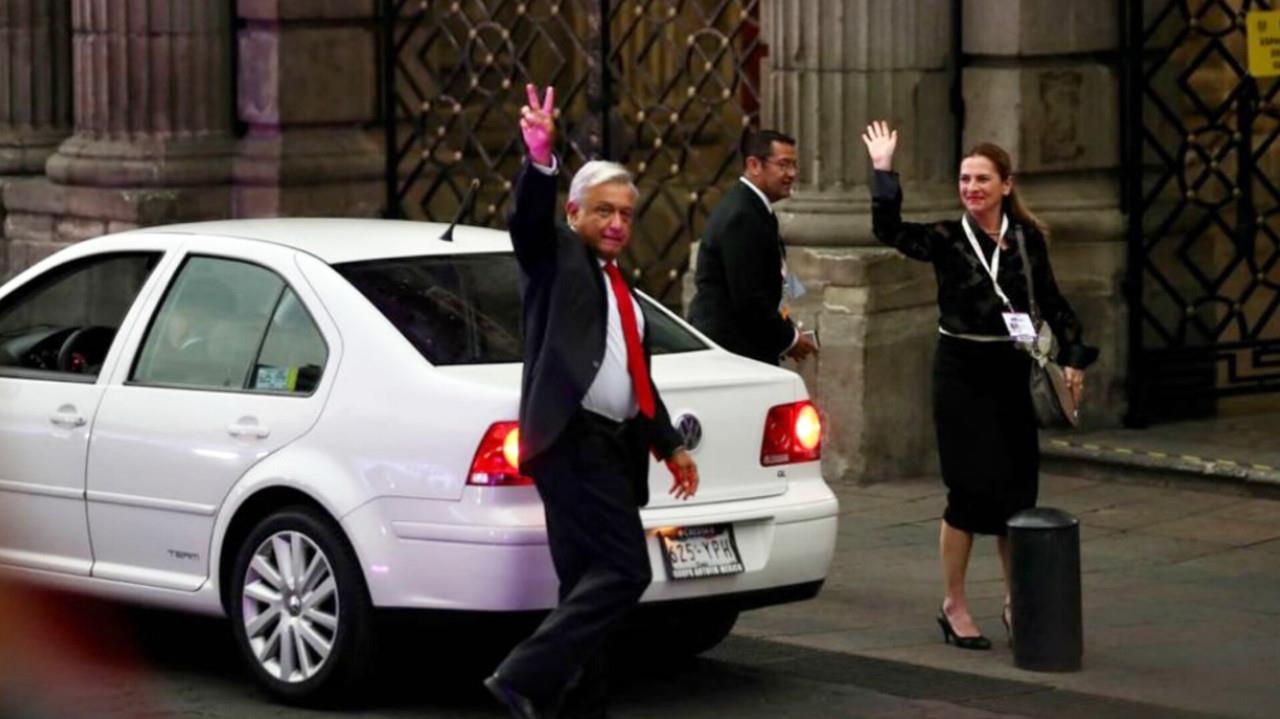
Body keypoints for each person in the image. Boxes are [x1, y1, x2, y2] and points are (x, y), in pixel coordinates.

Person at [483, 84, 700, 719]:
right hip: (571, 442)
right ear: (575, 214)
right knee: (626, 571)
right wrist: (540, 158)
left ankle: (578, 703)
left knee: (585, 584)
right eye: (603, 211)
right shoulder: (557, 260)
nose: (616, 224)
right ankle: (521, 676)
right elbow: (528, 221)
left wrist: (670, 446)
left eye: (627, 214)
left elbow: (636, 375)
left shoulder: (621, 287)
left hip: (611, 446)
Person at [861, 121, 1097, 650]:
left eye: (982, 179)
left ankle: (1019, 601)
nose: (971, 188)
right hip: (961, 375)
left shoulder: (1026, 239)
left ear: (1006, 185)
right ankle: (955, 603)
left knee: (1017, 495)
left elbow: (1053, 303)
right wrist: (883, 170)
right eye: (965, 179)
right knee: (968, 494)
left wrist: (1075, 358)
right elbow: (890, 231)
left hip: (1010, 373)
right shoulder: (947, 237)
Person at [687, 129, 819, 365]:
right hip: (731, 353)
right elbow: (749, 299)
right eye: (783, 165)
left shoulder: (753, 207)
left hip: (741, 348)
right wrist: (790, 339)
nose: (792, 174)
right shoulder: (742, 215)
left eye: (794, 165)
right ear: (754, 165)